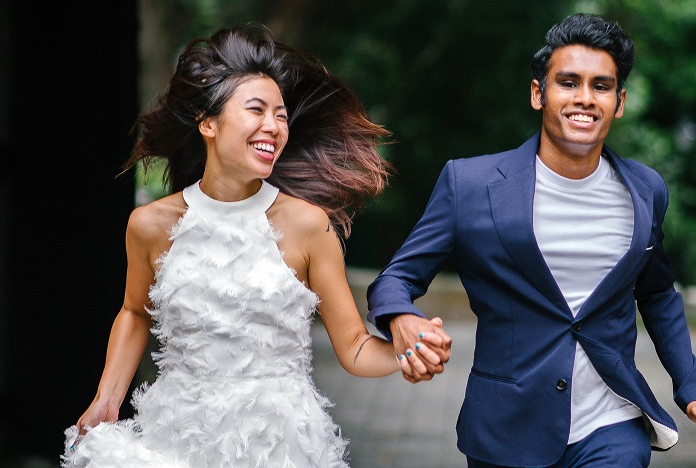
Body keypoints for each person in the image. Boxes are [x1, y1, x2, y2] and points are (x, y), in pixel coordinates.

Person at [61, 23, 448, 468]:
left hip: (280, 447)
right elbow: (134, 312)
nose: (274, 126)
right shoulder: (150, 225)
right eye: (257, 110)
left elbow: (355, 347)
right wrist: (106, 399)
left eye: (281, 115)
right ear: (208, 123)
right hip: (177, 439)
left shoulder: (307, 225)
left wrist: (410, 351)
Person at [366, 13, 696, 467]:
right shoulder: (471, 184)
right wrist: (401, 317)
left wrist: (694, 389)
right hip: (506, 427)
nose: (584, 98)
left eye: (601, 86)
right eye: (568, 82)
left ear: (619, 102)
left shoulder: (646, 190)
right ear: (539, 93)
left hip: (611, 426)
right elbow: (396, 278)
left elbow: (657, 295)